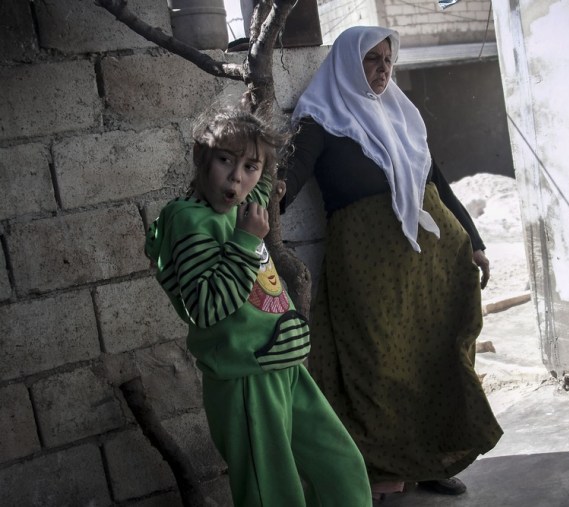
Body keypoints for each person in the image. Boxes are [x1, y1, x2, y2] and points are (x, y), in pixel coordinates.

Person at [279, 26, 503, 499]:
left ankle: (431, 461)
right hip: (368, 270)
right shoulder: (320, 119)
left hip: (431, 267)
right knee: (377, 369)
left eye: (387, 60)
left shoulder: (402, 114)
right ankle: (379, 471)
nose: (382, 70)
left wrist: (476, 241)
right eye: (370, 60)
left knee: (433, 363)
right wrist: (250, 204)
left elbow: (435, 184)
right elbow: (288, 181)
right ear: (345, 63)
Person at [144, 99, 372, 507]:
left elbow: (259, 180)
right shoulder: (189, 221)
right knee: (273, 493)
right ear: (200, 156)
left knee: (342, 468)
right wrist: (248, 241)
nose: (236, 179)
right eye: (224, 161)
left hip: (284, 367)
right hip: (246, 378)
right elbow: (206, 306)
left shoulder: (239, 203)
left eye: (249, 167)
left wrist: (269, 178)